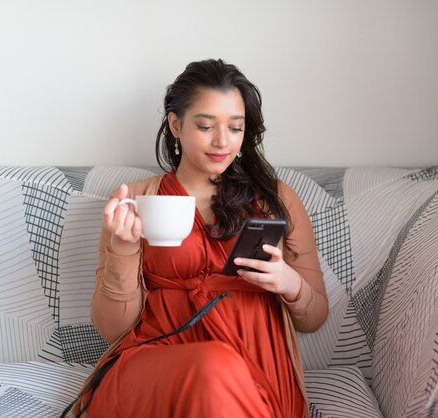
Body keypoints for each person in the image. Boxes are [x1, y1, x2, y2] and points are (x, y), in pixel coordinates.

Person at [69, 59, 328, 417]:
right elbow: (111, 327)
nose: (222, 141)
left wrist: (289, 283)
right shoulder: (136, 199)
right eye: (206, 126)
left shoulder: (276, 199)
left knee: (218, 370)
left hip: (257, 377)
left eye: (236, 128)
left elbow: (314, 318)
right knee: (212, 365)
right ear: (175, 124)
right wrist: (123, 249)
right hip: (154, 367)